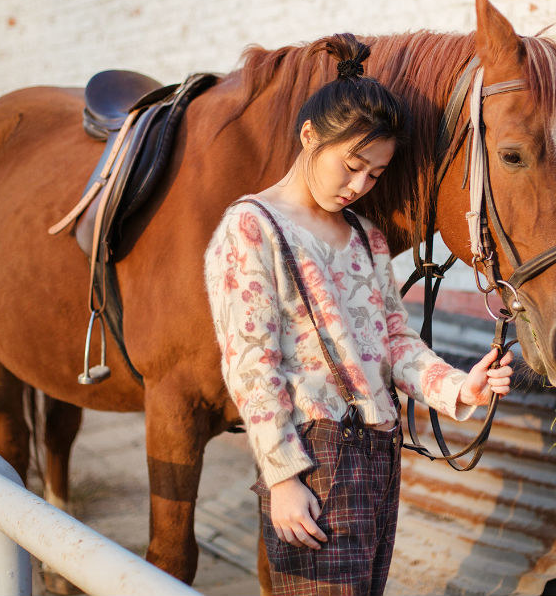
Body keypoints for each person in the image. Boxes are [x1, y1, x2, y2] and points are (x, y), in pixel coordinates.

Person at [203, 33, 514, 596]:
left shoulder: (367, 239)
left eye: (375, 174)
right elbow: (252, 364)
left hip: (377, 455)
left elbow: (394, 343)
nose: (359, 185)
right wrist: (283, 477)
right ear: (309, 136)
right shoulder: (254, 227)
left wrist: (459, 388)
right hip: (312, 456)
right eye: (352, 165)